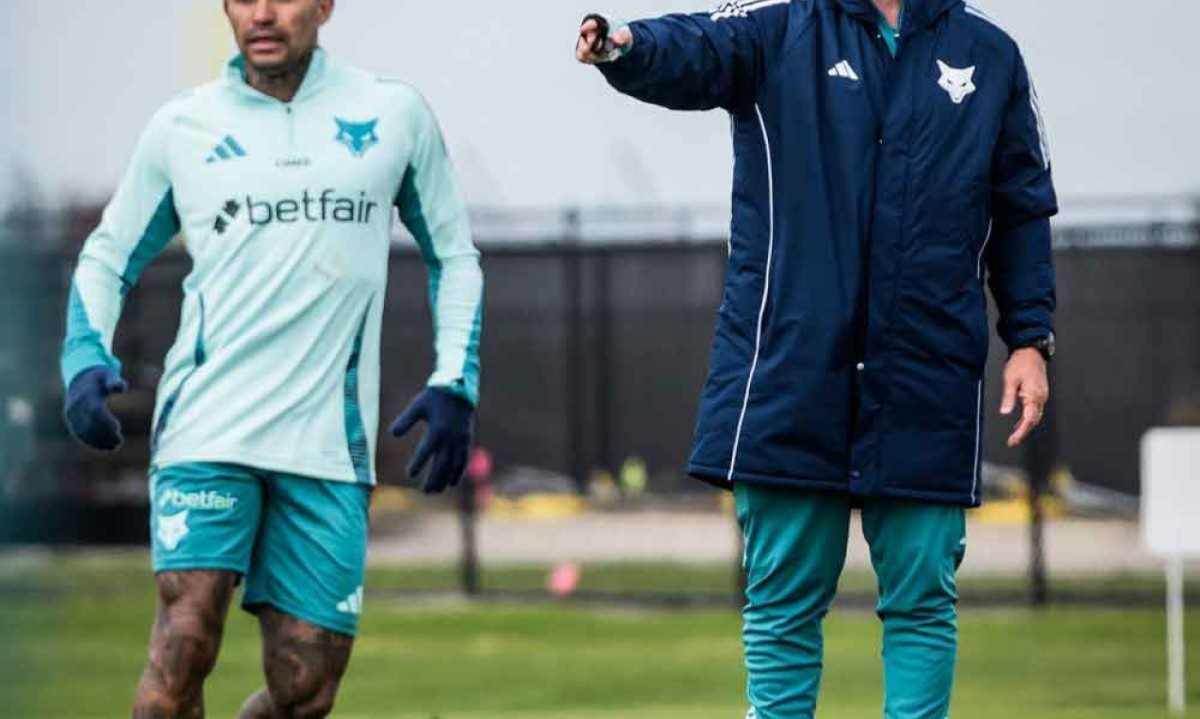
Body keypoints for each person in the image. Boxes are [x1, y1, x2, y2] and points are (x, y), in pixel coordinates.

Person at [577, 1, 1055, 717]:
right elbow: (699, 47)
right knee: (783, 605)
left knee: (924, 597)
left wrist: (1028, 335)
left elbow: (1020, 205)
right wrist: (626, 47)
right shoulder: (781, 24)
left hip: (927, 373)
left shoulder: (989, 53)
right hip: (790, 369)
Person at [60, 0, 483, 715]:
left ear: (324, 5)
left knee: (304, 692)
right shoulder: (182, 128)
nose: (261, 13)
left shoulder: (393, 114)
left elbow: (455, 256)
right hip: (207, 429)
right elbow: (106, 256)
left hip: (327, 447)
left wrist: (454, 381)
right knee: (183, 640)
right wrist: (83, 355)